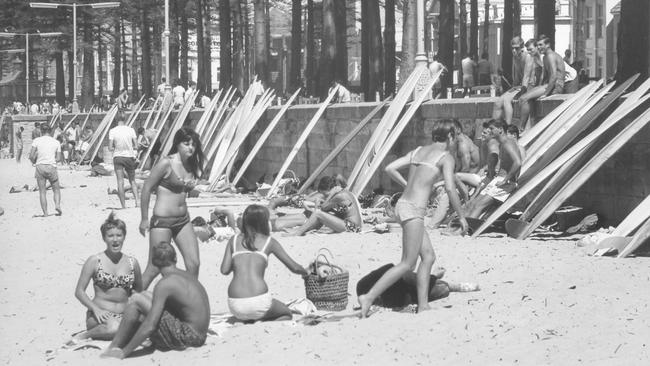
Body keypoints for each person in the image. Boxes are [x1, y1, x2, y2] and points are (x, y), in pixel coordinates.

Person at [358, 120, 468, 317]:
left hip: (403, 206)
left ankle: (423, 305)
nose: (457, 140)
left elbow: (390, 168)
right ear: (450, 136)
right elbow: (450, 188)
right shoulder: (446, 157)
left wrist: (408, 184)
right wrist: (461, 216)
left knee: (428, 257)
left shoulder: (418, 151)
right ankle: (369, 296)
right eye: (457, 136)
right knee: (407, 263)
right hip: (413, 210)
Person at [101, 242, 209, 359]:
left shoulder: (165, 284)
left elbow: (150, 325)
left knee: (136, 299)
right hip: (200, 334)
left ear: (154, 263)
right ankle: (120, 342)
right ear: (175, 258)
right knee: (144, 295)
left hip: (190, 336)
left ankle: (116, 346)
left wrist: (125, 353)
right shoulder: (186, 275)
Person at [139, 127, 204, 289]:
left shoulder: (191, 164)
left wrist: (189, 187)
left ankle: (189, 300)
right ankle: (131, 302)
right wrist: (144, 218)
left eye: (193, 144)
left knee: (194, 264)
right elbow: (147, 188)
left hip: (183, 220)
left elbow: (181, 191)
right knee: (154, 268)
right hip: (162, 221)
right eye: (186, 143)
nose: (191, 147)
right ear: (177, 144)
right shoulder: (166, 163)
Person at [220, 205, 308, 322]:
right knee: (286, 313)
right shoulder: (269, 242)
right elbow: (294, 267)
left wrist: (238, 260)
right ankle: (262, 321)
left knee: (256, 310)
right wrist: (306, 272)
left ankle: (253, 319)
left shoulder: (234, 240)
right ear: (263, 222)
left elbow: (224, 270)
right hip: (259, 301)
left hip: (236, 305)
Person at [73, 213, 142, 341]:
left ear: (124, 237)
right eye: (110, 236)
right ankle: (85, 335)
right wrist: (95, 309)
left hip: (124, 314)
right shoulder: (94, 261)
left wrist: (132, 310)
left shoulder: (133, 262)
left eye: (119, 235)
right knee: (114, 329)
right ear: (104, 238)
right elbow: (79, 292)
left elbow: (138, 289)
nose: (115, 240)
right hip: (100, 315)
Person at [464, 119, 522, 219]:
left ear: (500, 129)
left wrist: (506, 179)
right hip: (498, 180)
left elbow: (518, 162)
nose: (489, 131)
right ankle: (461, 227)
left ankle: (466, 229)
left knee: (479, 205)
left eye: (491, 128)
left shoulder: (508, 143)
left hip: (505, 183)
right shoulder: (502, 143)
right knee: (474, 203)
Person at [356, 264, 479, 309]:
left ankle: (438, 279)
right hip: (402, 294)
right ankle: (437, 279)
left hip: (400, 283)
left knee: (406, 276)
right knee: (443, 290)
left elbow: (396, 271)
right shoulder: (362, 288)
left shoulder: (362, 286)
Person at [285, 178, 362, 236]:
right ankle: (303, 229)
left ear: (331, 189)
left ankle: (298, 232)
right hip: (355, 226)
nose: (325, 197)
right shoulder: (344, 192)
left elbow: (323, 208)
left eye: (326, 195)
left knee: (318, 213)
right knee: (322, 215)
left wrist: (327, 197)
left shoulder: (339, 196)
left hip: (353, 228)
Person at [492, 36, 529, 125]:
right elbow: (517, 77)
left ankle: (507, 127)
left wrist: (518, 92)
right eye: (512, 48)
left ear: (522, 47)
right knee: (498, 103)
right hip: (520, 86)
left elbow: (526, 77)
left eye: (516, 48)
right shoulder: (515, 57)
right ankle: (493, 127)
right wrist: (513, 90)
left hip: (528, 86)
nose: (514, 51)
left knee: (506, 100)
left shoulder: (527, 56)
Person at [28, 125, 62, 217]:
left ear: (41, 131)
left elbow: (31, 156)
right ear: (50, 131)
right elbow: (58, 158)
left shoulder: (36, 141)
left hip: (40, 167)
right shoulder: (56, 142)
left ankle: (46, 213)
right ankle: (57, 205)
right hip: (51, 166)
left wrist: (34, 161)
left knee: (42, 191)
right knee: (56, 189)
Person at [109, 114, 139, 209]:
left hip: (118, 157)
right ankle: (137, 202)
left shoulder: (112, 131)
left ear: (116, 119)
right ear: (125, 118)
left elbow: (110, 147)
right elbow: (136, 146)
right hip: (129, 156)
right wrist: (130, 147)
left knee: (120, 181)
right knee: (132, 181)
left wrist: (116, 147)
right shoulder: (131, 130)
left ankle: (123, 205)